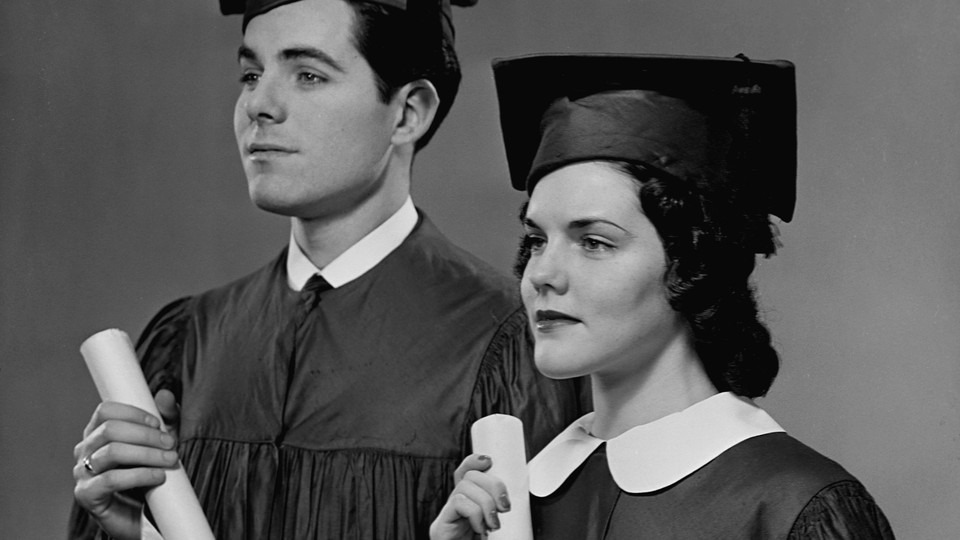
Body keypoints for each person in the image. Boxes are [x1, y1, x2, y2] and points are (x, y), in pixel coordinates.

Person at [68, 3, 587, 539]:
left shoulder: (506, 344)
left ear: (408, 112)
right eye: (251, 74)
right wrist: (122, 527)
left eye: (308, 75)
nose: (258, 106)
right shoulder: (190, 343)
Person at [430, 53, 895, 539]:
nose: (541, 273)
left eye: (594, 242)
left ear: (691, 263)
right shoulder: (520, 502)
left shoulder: (791, 507)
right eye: (536, 240)